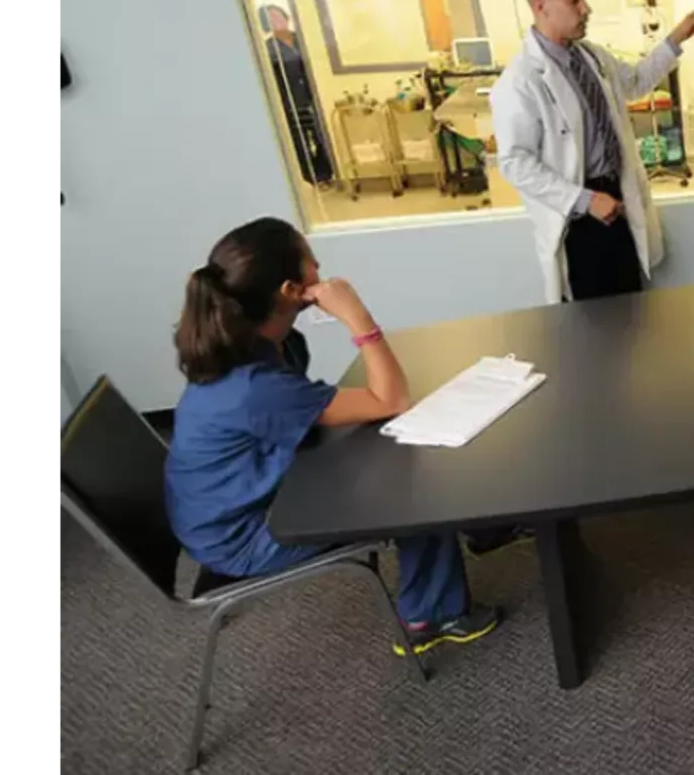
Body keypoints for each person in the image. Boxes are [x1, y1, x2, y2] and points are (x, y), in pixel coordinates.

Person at [165, 217, 511, 656]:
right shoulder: (252, 384)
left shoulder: (250, 341)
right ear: (291, 290)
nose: (321, 268)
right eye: (311, 262)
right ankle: (430, 616)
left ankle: (485, 528)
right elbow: (392, 397)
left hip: (236, 502)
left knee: (385, 444)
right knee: (412, 492)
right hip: (244, 534)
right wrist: (357, 316)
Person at [493, 0, 694, 303]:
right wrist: (585, 200)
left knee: (631, 309)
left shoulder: (591, 57)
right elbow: (516, 163)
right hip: (578, 213)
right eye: (575, 0)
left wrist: (674, 39)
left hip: (617, 199)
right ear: (541, 6)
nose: (586, 9)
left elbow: (636, 82)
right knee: (593, 323)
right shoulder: (520, 80)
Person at [258, 5, 337, 189]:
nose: (278, 21)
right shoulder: (268, 49)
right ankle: (314, 179)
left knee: (321, 137)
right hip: (291, 101)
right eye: (271, 19)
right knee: (301, 141)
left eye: (279, 16)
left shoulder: (304, 39)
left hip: (314, 97)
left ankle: (327, 173)